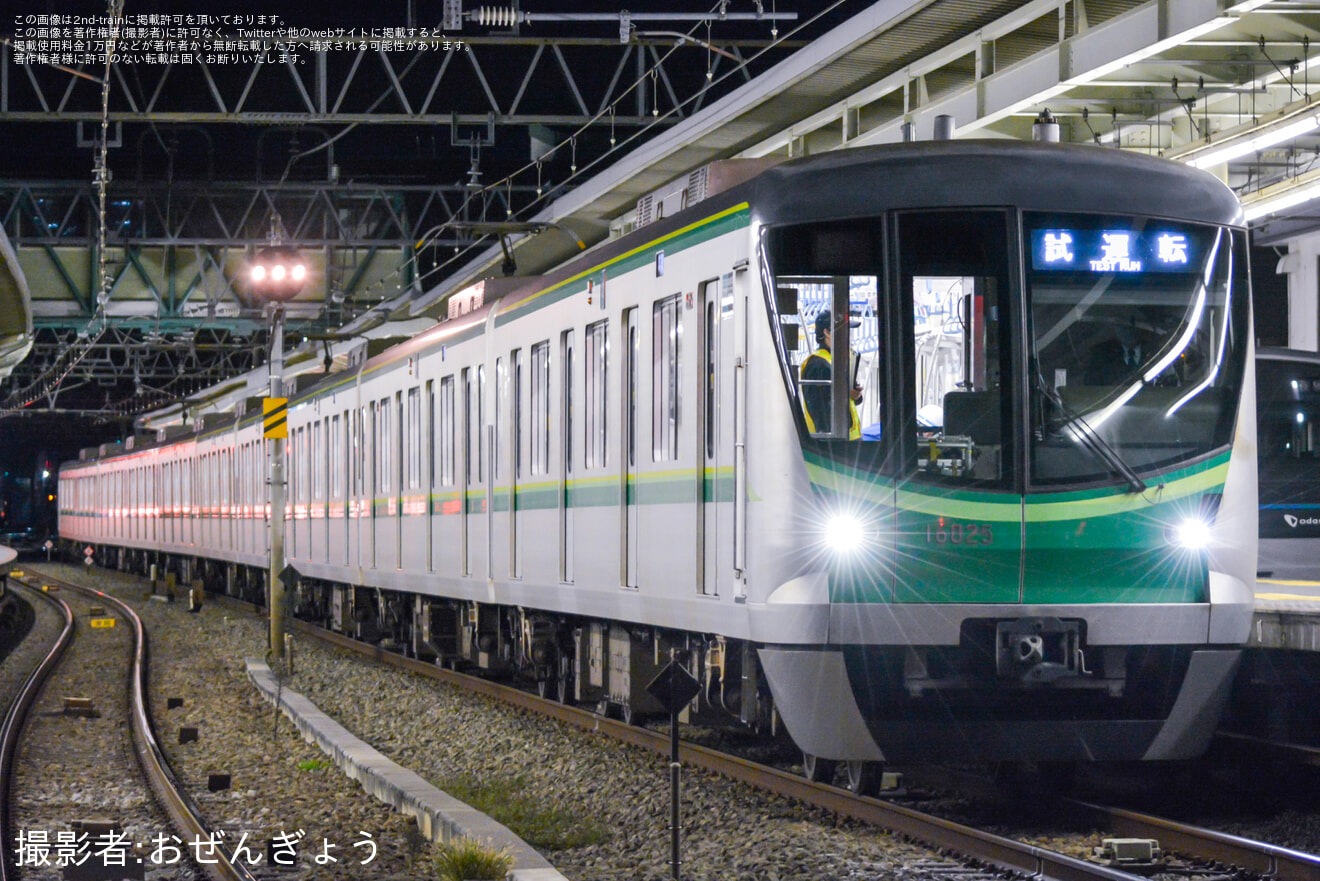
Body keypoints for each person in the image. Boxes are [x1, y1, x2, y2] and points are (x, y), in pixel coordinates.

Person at [800, 309, 862, 439]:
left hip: (849, 444)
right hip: (837, 447)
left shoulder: (833, 360)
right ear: (827, 332)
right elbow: (822, 413)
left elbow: (844, 402)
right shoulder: (818, 365)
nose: (848, 335)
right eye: (844, 330)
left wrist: (855, 396)